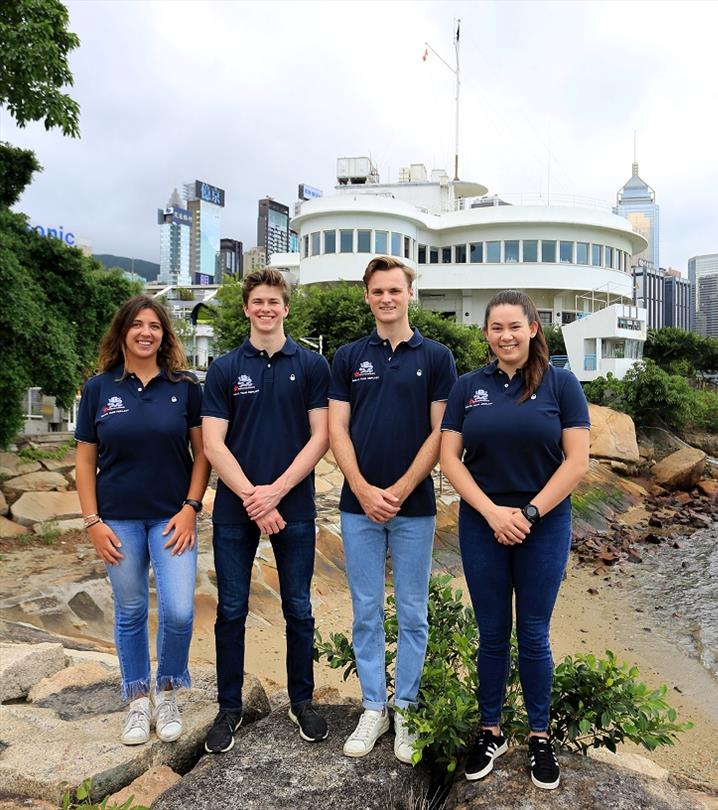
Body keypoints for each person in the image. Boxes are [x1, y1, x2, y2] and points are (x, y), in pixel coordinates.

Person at [440, 290, 590, 790]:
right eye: (495, 328)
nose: (505, 336)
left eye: (514, 327)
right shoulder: (467, 387)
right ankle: (491, 730)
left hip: (543, 524)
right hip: (482, 523)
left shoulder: (561, 385)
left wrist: (527, 513)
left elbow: (577, 461)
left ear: (533, 330)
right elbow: (449, 459)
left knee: (533, 633)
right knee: (491, 633)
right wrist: (491, 513)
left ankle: (540, 736)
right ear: (486, 334)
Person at [329, 256, 457, 763]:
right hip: (356, 505)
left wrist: (400, 489)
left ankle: (405, 709)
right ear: (368, 296)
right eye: (378, 291)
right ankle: (373, 707)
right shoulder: (348, 357)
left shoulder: (438, 357)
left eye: (395, 291)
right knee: (364, 611)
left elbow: (441, 433)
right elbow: (336, 429)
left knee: (411, 612)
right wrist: (361, 487)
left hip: (415, 506)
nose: (387, 298)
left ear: (410, 294)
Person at [201, 268, 331, 753]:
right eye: (257, 301)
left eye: (274, 301)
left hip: (293, 505)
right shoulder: (225, 368)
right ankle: (228, 709)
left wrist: (274, 492)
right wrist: (255, 499)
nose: (266, 308)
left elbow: (320, 436)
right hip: (236, 510)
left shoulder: (313, 366)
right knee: (231, 610)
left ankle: (303, 701)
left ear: (286, 308)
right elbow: (214, 443)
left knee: (298, 608)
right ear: (246, 308)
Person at [74, 295, 210, 745]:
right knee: (131, 611)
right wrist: (93, 521)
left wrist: (191, 508)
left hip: (173, 519)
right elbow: (84, 462)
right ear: (123, 333)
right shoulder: (99, 388)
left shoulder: (186, 387)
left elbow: (201, 455)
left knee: (179, 610)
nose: (146, 332)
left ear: (164, 334)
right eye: (137, 325)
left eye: (154, 325)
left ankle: (167, 690)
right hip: (118, 520)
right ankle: (136, 699)